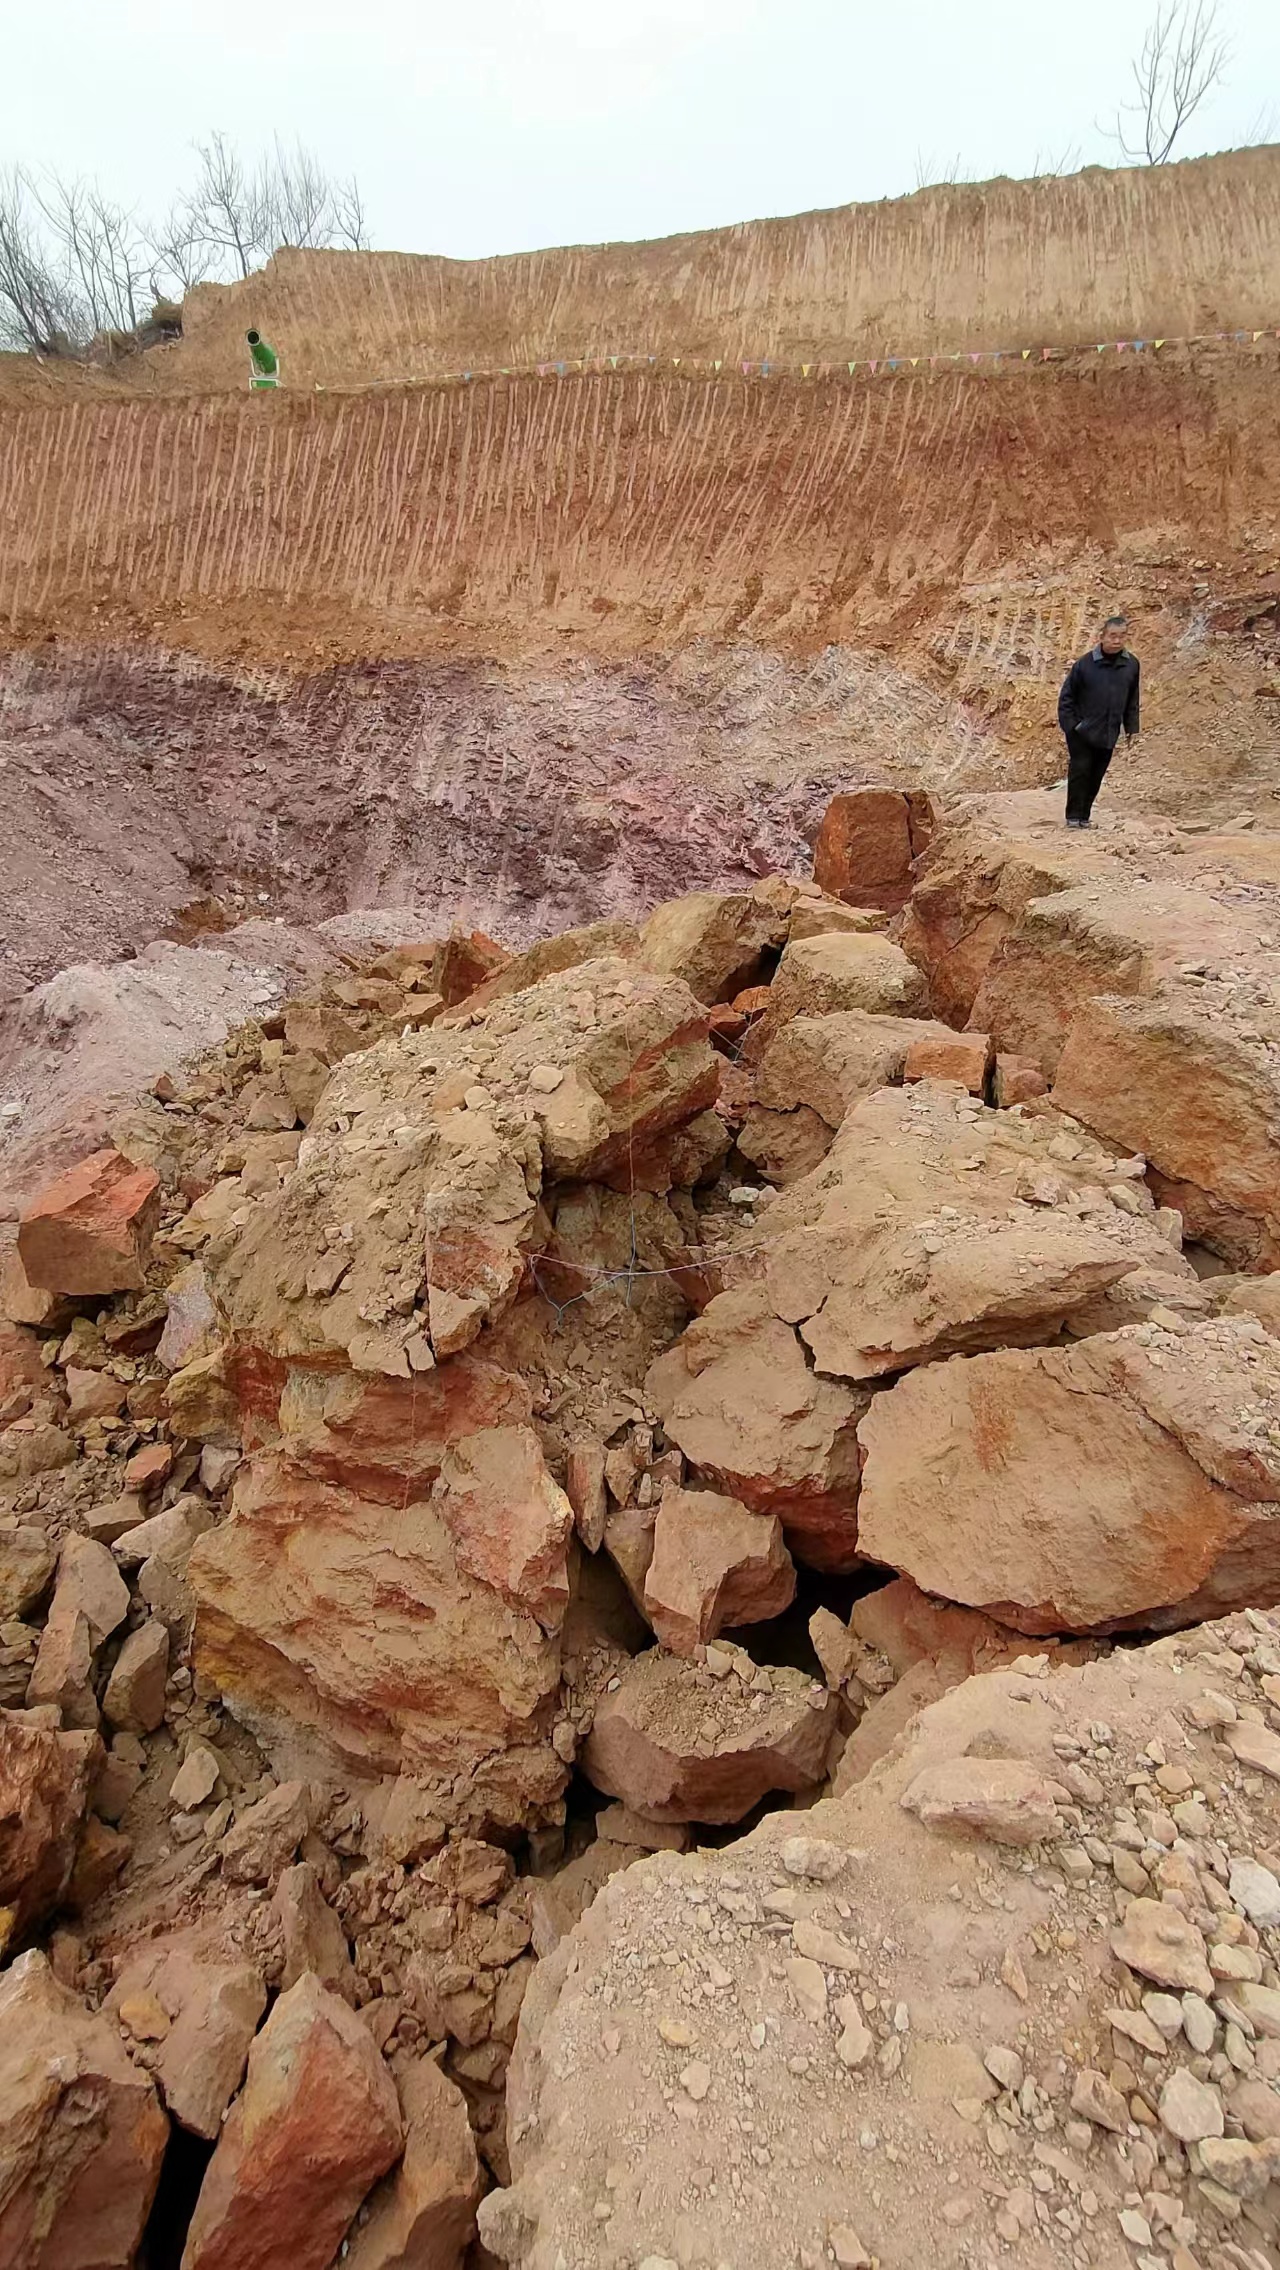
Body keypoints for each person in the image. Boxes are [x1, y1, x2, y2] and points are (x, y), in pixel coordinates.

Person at [1057, 615, 1140, 828]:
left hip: (1109, 730)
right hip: (1082, 731)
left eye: (1122, 636)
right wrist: (1072, 726)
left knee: (1097, 775)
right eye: (1112, 636)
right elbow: (1066, 697)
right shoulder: (1084, 665)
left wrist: (1131, 728)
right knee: (1080, 772)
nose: (1117, 641)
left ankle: (1084, 817)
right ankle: (1073, 818)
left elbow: (1132, 698)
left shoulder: (1131, 665)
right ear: (1101, 637)